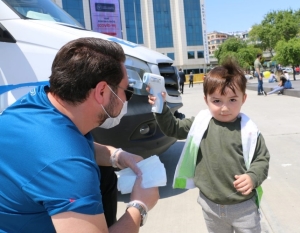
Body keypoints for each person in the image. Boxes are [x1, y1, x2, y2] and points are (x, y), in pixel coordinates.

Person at [0, 37, 159, 233]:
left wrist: (116, 156)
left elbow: (48, 152)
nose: (126, 98)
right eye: (126, 90)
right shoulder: (68, 166)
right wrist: (139, 206)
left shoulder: (37, 102)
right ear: (101, 91)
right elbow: (62, 158)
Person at [148, 57, 270, 233]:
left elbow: (262, 159)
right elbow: (172, 128)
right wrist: (160, 107)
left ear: (243, 98)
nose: (225, 108)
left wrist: (252, 176)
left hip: (243, 207)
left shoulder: (249, 130)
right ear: (206, 100)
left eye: (232, 100)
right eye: (217, 101)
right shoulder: (200, 123)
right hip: (210, 205)